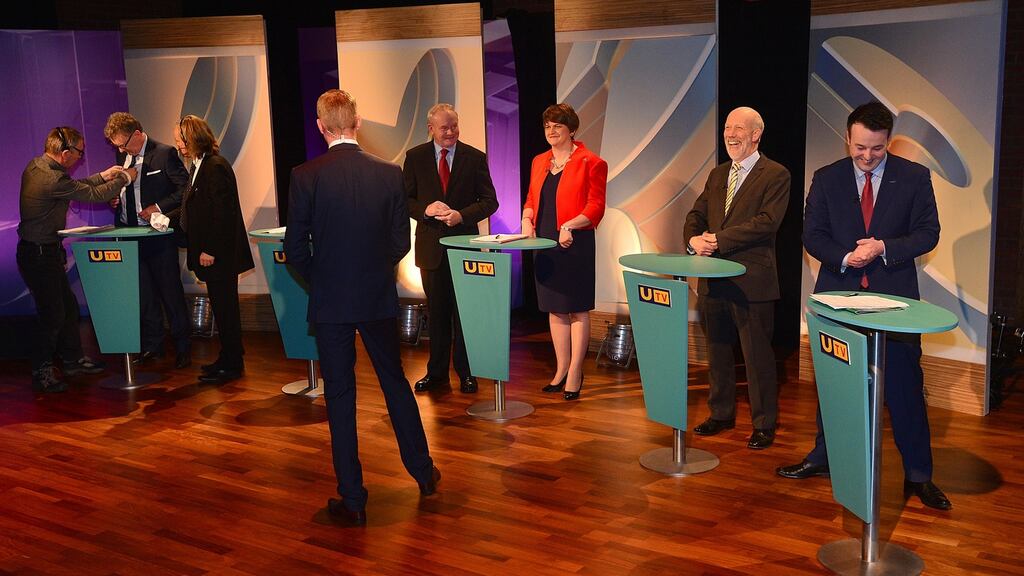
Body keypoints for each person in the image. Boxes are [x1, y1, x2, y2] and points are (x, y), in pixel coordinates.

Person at [776, 101, 951, 510]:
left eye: (876, 148)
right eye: (859, 148)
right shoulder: (826, 178)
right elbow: (811, 234)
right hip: (839, 300)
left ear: (888, 141)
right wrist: (844, 257)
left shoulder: (914, 178)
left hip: (896, 306)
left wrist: (883, 247)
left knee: (905, 388)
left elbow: (928, 233)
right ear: (847, 139)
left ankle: (918, 476)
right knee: (836, 383)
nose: (867, 156)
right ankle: (825, 457)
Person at [285, 89, 440, 526]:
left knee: (340, 397)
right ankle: (424, 474)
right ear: (357, 122)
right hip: (375, 298)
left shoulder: (305, 175)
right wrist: (369, 275)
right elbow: (399, 243)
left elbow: (295, 251)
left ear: (321, 126)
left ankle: (353, 499)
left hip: (331, 301)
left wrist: (327, 282)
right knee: (395, 385)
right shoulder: (389, 173)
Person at [683, 106, 790, 449]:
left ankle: (763, 424)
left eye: (738, 128)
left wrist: (719, 240)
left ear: (756, 134)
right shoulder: (717, 175)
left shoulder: (775, 174)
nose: (730, 134)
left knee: (757, 357)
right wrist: (692, 240)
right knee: (717, 351)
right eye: (727, 127)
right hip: (714, 280)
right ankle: (721, 413)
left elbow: (767, 221)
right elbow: (696, 214)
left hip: (752, 281)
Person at [17, 126, 136, 393]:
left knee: (68, 308)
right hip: (38, 254)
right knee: (52, 315)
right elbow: (92, 195)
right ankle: (42, 371)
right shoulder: (51, 179)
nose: (80, 158)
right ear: (66, 152)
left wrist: (102, 175)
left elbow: (77, 186)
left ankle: (72, 361)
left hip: (42, 252)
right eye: (79, 153)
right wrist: (124, 178)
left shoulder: (38, 165)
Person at [404, 103, 498, 394]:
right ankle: (437, 374)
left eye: (454, 125)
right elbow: (404, 199)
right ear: (430, 128)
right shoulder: (415, 157)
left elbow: (490, 201)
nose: (451, 132)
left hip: (464, 248)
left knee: (465, 314)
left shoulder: (474, 157)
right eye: (444, 127)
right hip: (430, 249)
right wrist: (426, 210)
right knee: (438, 314)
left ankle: (467, 373)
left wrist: (462, 216)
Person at [521, 103, 607, 401]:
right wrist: (526, 219)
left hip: (575, 242)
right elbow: (532, 197)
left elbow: (595, 206)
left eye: (558, 125)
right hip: (544, 242)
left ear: (572, 129)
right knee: (554, 308)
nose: (551, 131)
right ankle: (560, 369)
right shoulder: (539, 160)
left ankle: (575, 372)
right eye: (547, 126)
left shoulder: (591, 161)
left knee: (576, 308)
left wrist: (571, 225)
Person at [103, 112, 192, 369]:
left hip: (157, 236)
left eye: (123, 144)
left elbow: (184, 188)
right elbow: (126, 189)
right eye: (117, 146)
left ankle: (183, 347)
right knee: (143, 295)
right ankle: (154, 345)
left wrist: (158, 206)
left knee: (170, 293)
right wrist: (115, 198)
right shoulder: (121, 156)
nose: (120, 149)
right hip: (129, 236)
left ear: (138, 133)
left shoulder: (164, 153)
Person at [174, 115, 254, 385]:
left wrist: (209, 249)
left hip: (218, 256)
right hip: (211, 256)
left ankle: (233, 363)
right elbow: (194, 206)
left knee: (226, 309)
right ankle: (228, 357)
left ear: (193, 139)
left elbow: (223, 213)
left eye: (180, 141)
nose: (178, 146)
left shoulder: (215, 166)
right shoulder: (200, 166)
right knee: (222, 309)